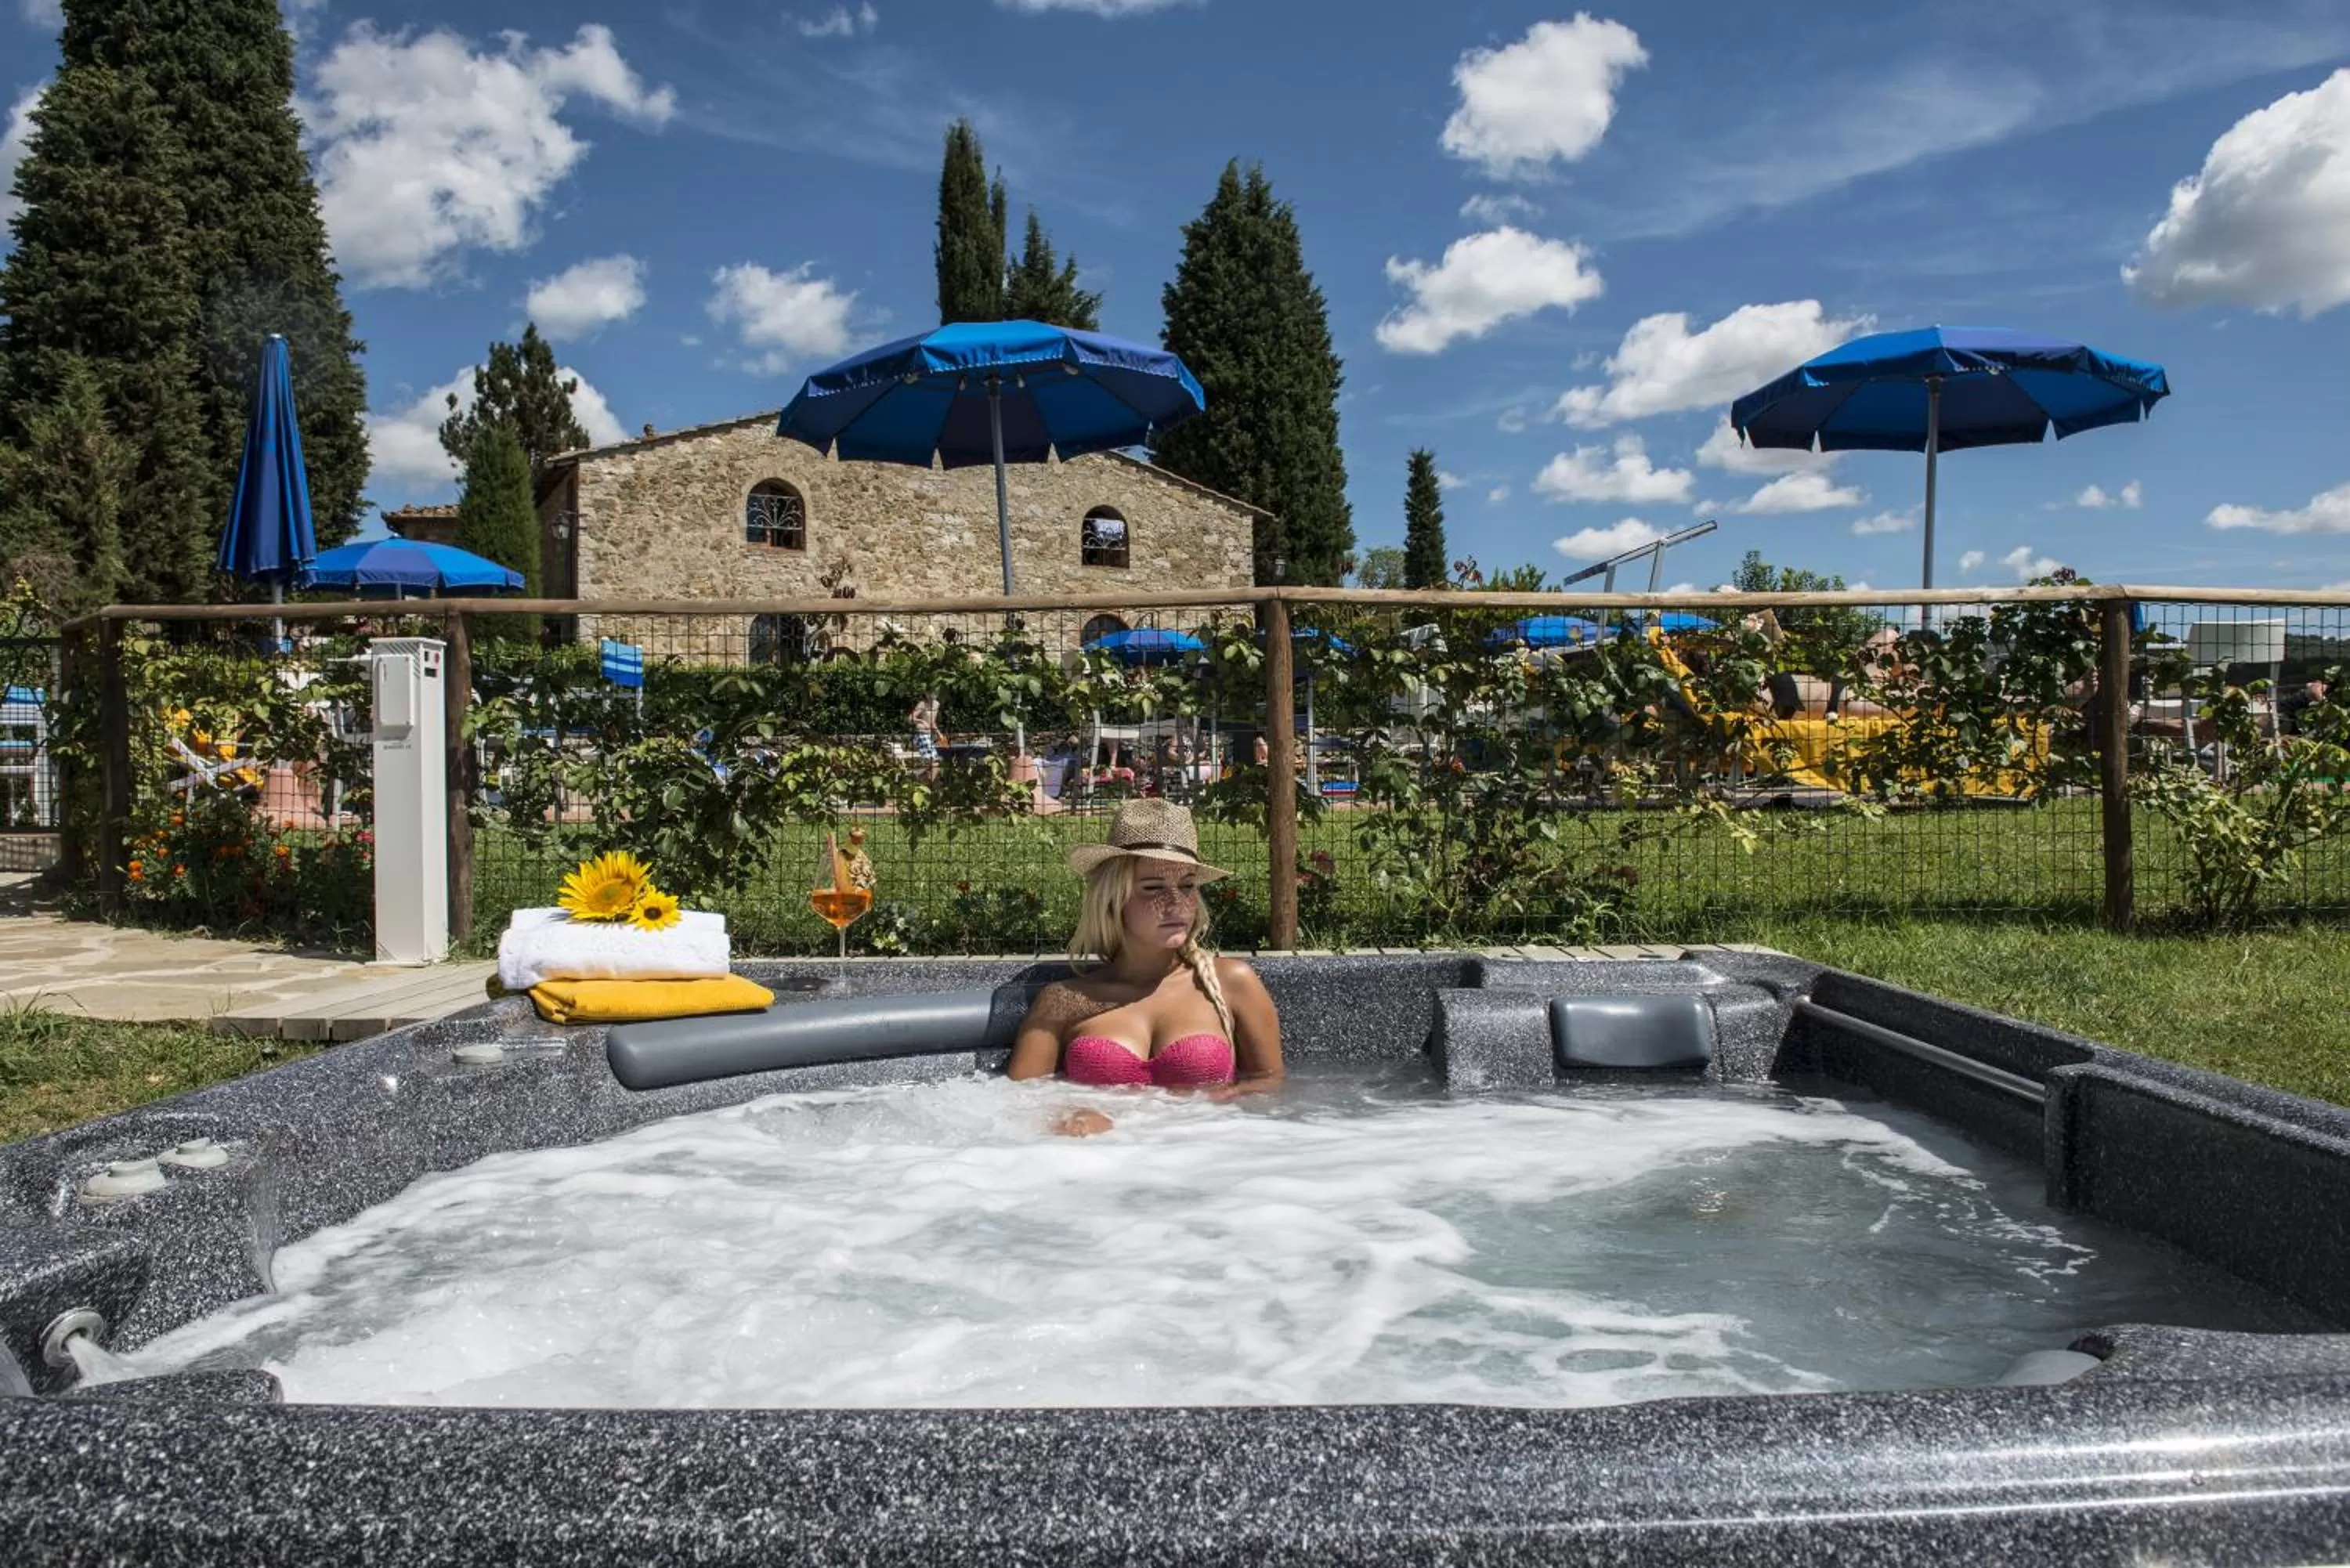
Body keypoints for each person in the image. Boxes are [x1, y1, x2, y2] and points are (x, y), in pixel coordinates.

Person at [1009, 798, 1283, 1135]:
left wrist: (1196, 1110)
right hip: (1102, 1165)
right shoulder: (1063, 1001)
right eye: (1153, 888)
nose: (1176, 903)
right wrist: (1071, 1117)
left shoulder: (1232, 983)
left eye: (1187, 886)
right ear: (1114, 897)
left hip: (1208, 1155)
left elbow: (1270, 1085)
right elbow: (1016, 1106)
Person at [907, 692, 940, 778]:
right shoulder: (922, 704)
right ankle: (930, 787)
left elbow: (932, 722)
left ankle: (920, 780)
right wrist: (921, 721)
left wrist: (939, 734)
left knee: (934, 765)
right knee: (935, 762)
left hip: (929, 736)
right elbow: (910, 718)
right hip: (921, 735)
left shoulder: (936, 704)